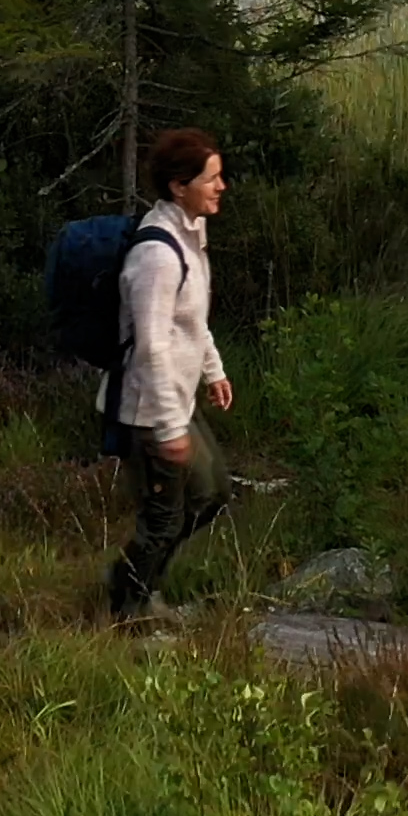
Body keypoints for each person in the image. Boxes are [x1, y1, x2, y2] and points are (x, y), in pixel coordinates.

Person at [107, 125, 236, 621]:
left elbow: (192, 320)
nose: (221, 186)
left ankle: (138, 586)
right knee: (164, 519)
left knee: (213, 492)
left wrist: (213, 372)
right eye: (211, 178)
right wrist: (166, 429)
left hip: (178, 402)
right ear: (180, 186)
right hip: (149, 409)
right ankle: (129, 608)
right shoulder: (157, 255)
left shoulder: (191, 236)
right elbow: (152, 348)